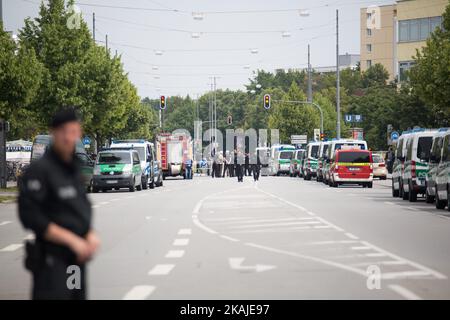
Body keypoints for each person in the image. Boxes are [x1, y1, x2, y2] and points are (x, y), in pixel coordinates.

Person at [18, 108, 99, 300]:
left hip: (75, 261)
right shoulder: (39, 171)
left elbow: (80, 209)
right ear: (53, 132)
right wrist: (72, 240)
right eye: (64, 132)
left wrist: (89, 234)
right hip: (51, 261)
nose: (68, 138)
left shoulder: (74, 169)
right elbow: (32, 217)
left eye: (73, 132)